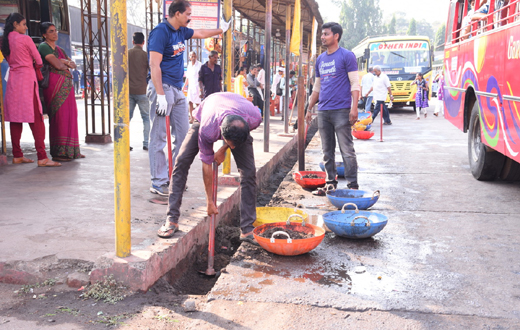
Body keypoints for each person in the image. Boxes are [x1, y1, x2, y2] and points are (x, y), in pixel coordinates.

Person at [147, 0, 232, 196]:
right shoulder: (161, 32)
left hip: (177, 89)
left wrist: (221, 30)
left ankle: (174, 179)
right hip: (163, 87)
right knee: (159, 136)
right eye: (187, 14)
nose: (190, 17)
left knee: (184, 137)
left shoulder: (181, 31)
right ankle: (159, 182)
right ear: (176, 14)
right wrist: (159, 94)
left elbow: (201, 33)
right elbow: (154, 65)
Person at [157, 92, 262, 245]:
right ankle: (172, 219)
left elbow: (237, 138)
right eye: (229, 143)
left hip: (236, 115)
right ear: (221, 133)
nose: (233, 148)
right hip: (209, 111)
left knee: (249, 173)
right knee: (182, 161)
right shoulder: (208, 129)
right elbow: (207, 165)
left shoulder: (254, 118)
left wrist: (224, 148)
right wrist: (209, 202)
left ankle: (247, 229)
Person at [305, 22, 360, 194]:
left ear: (336, 36)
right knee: (327, 150)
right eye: (322, 34)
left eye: (326, 34)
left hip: (341, 111)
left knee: (347, 150)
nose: (322, 37)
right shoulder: (320, 59)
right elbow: (317, 87)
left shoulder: (347, 56)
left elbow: (355, 84)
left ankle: (352, 185)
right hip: (323, 111)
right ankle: (330, 183)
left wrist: (354, 108)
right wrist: (309, 107)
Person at [1, 13, 60, 167]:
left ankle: (17, 155)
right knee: (37, 119)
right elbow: (39, 60)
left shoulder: (4, 41)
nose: (26, 27)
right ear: (15, 24)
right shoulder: (25, 39)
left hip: (13, 80)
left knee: (15, 119)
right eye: (23, 24)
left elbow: (8, 59)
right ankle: (42, 157)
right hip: (27, 80)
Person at [38, 22, 84, 162]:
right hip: (54, 87)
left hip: (66, 86)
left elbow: (73, 65)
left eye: (55, 30)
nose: (55, 33)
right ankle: (59, 152)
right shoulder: (44, 47)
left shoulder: (59, 49)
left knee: (71, 115)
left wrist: (63, 61)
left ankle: (73, 150)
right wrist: (64, 62)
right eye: (51, 31)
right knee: (60, 117)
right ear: (44, 34)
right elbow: (57, 65)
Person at [128, 31, 150, 151]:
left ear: (133, 42)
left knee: (127, 119)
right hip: (142, 90)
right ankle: (146, 143)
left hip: (129, 91)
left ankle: (125, 142)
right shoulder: (145, 56)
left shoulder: (127, 54)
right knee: (146, 118)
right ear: (143, 42)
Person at [184, 51, 202, 123]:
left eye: (194, 56)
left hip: (197, 87)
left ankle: (198, 119)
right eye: (192, 56)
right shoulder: (189, 65)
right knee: (190, 102)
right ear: (189, 57)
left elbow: (201, 77)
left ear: (196, 56)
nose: (193, 57)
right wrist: (184, 87)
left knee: (198, 103)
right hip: (191, 87)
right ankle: (192, 118)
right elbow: (187, 78)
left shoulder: (199, 65)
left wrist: (201, 89)